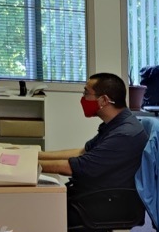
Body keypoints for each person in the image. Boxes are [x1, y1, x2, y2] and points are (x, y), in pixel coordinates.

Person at [39, 73, 149, 222]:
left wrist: (28, 164)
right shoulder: (117, 123)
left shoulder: (124, 134)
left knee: (39, 208)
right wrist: (37, 155)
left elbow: (75, 167)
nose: (83, 98)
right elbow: (83, 151)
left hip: (106, 203)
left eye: (86, 93)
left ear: (103, 100)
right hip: (97, 194)